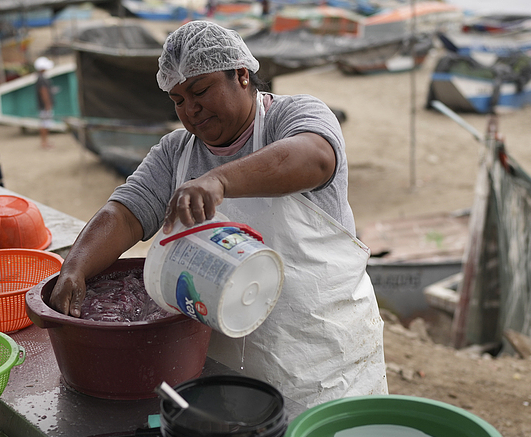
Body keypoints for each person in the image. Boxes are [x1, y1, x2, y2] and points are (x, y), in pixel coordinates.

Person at [49, 20, 387, 407]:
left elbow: (316, 158)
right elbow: (125, 212)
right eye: (177, 99)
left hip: (323, 360)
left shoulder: (293, 116)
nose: (190, 109)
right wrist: (75, 266)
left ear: (241, 75)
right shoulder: (176, 152)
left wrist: (219, 181)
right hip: (227, 368)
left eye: (200, 90)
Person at [34, 56, 56, 149]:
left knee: (45, 124)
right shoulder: (41, 79)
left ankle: (45, 142)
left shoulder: (41, 77)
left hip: (44, 106)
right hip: (44, 106)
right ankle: (44, 143)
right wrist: (47, 105)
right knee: (44, 124)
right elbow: (44, 92)